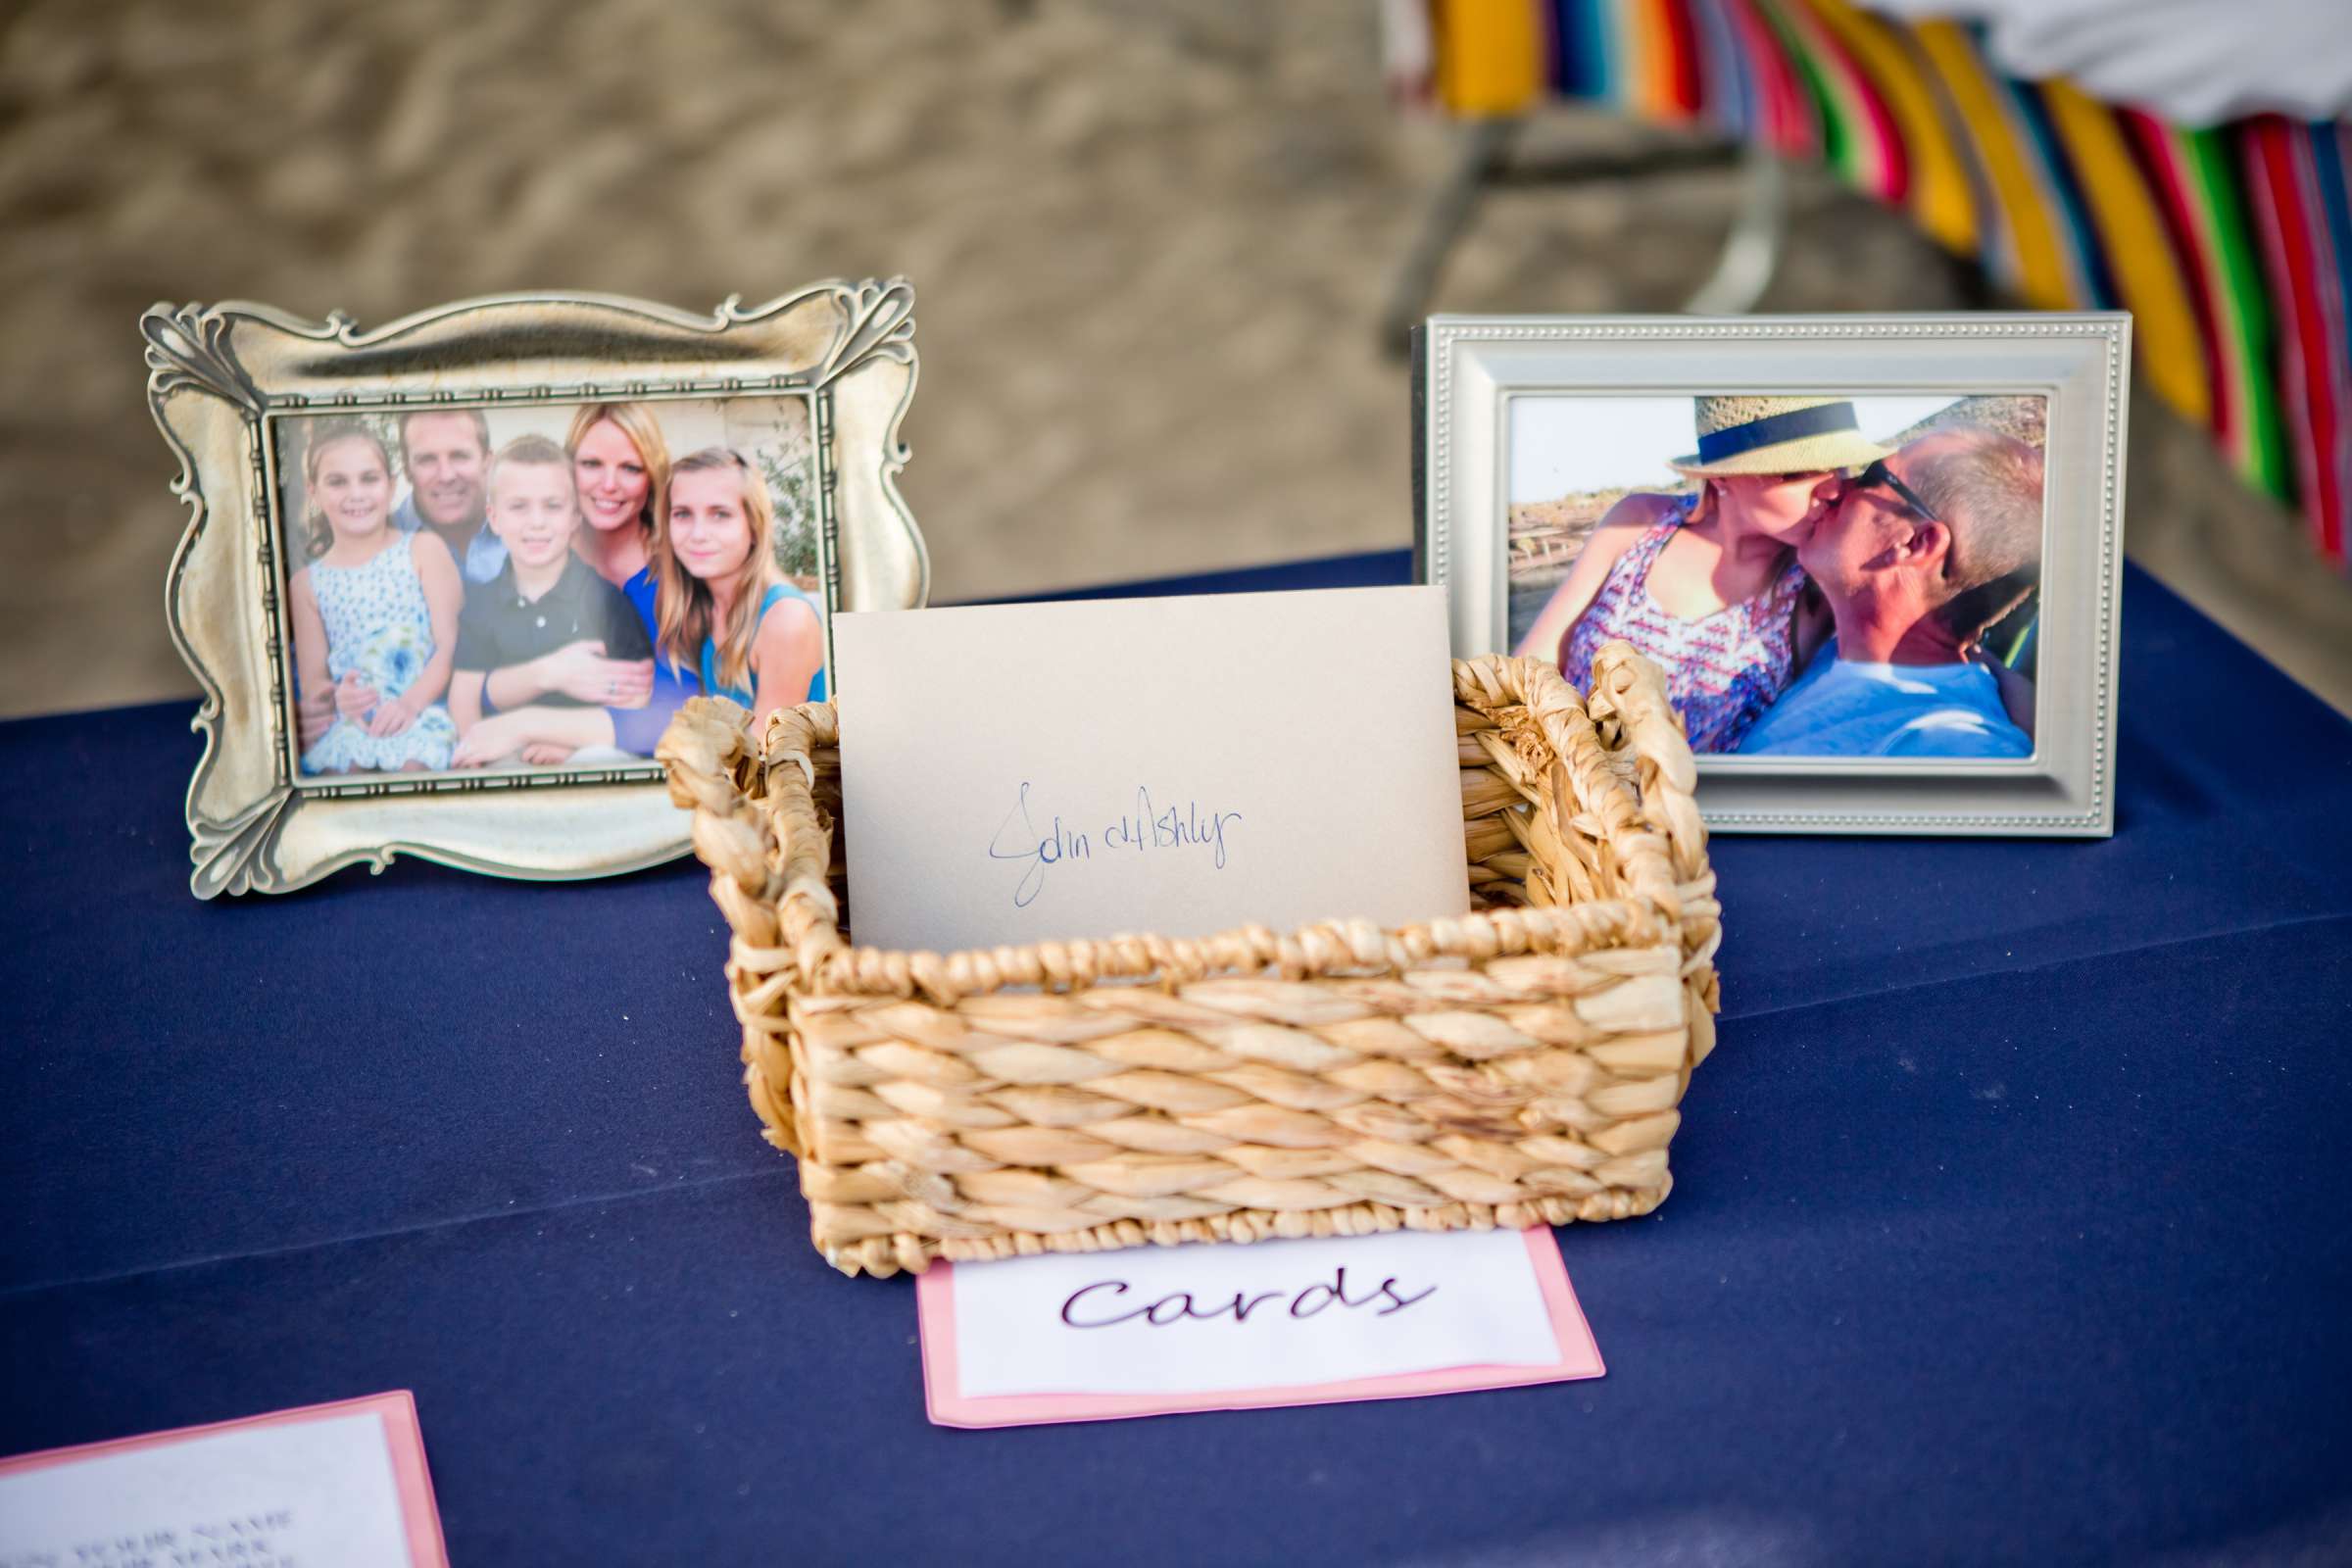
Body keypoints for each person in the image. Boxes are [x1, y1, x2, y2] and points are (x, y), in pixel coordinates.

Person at [1513, 396, 1888, 753]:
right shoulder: (1641, 526)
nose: (1833, 489)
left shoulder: (1815, 588)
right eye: (1795, 472)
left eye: (1842, 466)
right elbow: (1526, 675)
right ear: (1722, 478)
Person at [1737, 428, 2042, 758]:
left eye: (1871, 476)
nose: (1841, 487)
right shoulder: (1840, 649)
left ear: (1914, 543)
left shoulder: (1943, 742)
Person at [445, 436, 654, 768]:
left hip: (583, 751)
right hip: (506, 753)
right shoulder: (481, 605)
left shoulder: (604, 600)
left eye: (552, 506)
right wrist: (476, 752)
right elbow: (463, 695)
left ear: (574, 518)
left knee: (601, 762)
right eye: (519, 506)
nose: (536, 522)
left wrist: (568, 744)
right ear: (494, 518)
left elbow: (637, 695)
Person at [287, 423, 461, 774]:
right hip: (352, 722)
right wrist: (339, 697)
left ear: (391, 485)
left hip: (419, 710)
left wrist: (410, 705)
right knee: (347, 772)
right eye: (338, 482)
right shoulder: (306, 584)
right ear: (314, 492)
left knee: (414, 769)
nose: (356, 493)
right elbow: (314, 682)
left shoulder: (423, 550)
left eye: (369, 479)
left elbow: (451, 647)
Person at [656, 447, 826, 725]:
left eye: (720, 514)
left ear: (754, 527)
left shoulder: (786, 618)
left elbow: (765, 759)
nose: (698, 534)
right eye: (683, 514)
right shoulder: (703, 608)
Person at [392, 409, 506, 585]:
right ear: (407, 469)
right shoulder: (379, 544)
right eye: (427, 459)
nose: (446, 476)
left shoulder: (532, 530)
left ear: (487, 461)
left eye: (459, 456)